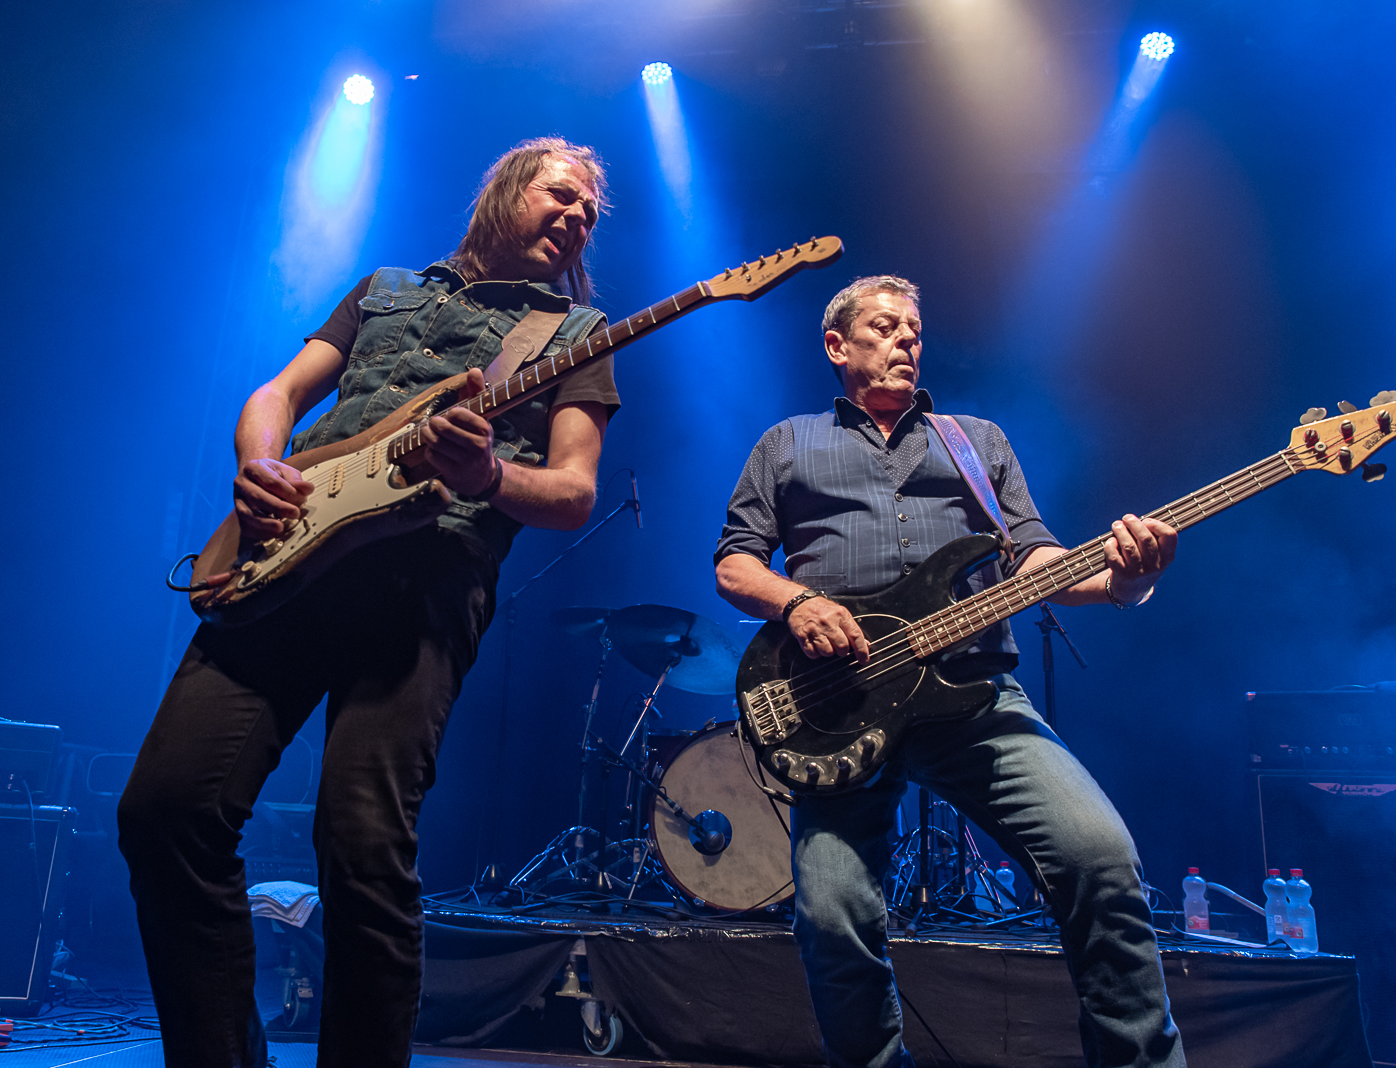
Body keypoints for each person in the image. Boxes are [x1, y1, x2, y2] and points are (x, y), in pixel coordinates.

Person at [118, 137, 621, 1068]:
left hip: (424, 583)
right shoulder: (384, 288)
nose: (576, 217)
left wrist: (488, 474)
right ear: (506, 189)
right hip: (286, 563)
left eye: (589, 213)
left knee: (361, 843)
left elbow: (574, 492)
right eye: (561, 195)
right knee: (164, 810)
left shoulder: (575, 335)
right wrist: (261, 464)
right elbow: (278, 392)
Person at [714, 275, 1186, 1068]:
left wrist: (1125, 580)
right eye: (884, 326)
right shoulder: (786, 442)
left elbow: (1035, 560)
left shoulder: (976, 441)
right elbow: (734, 564)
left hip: (976, 698)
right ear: (837, 346)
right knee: (831, 915)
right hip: (842, 705)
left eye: (914, 329)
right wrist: (796, 603)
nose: (906, 338)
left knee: (1100, 858)